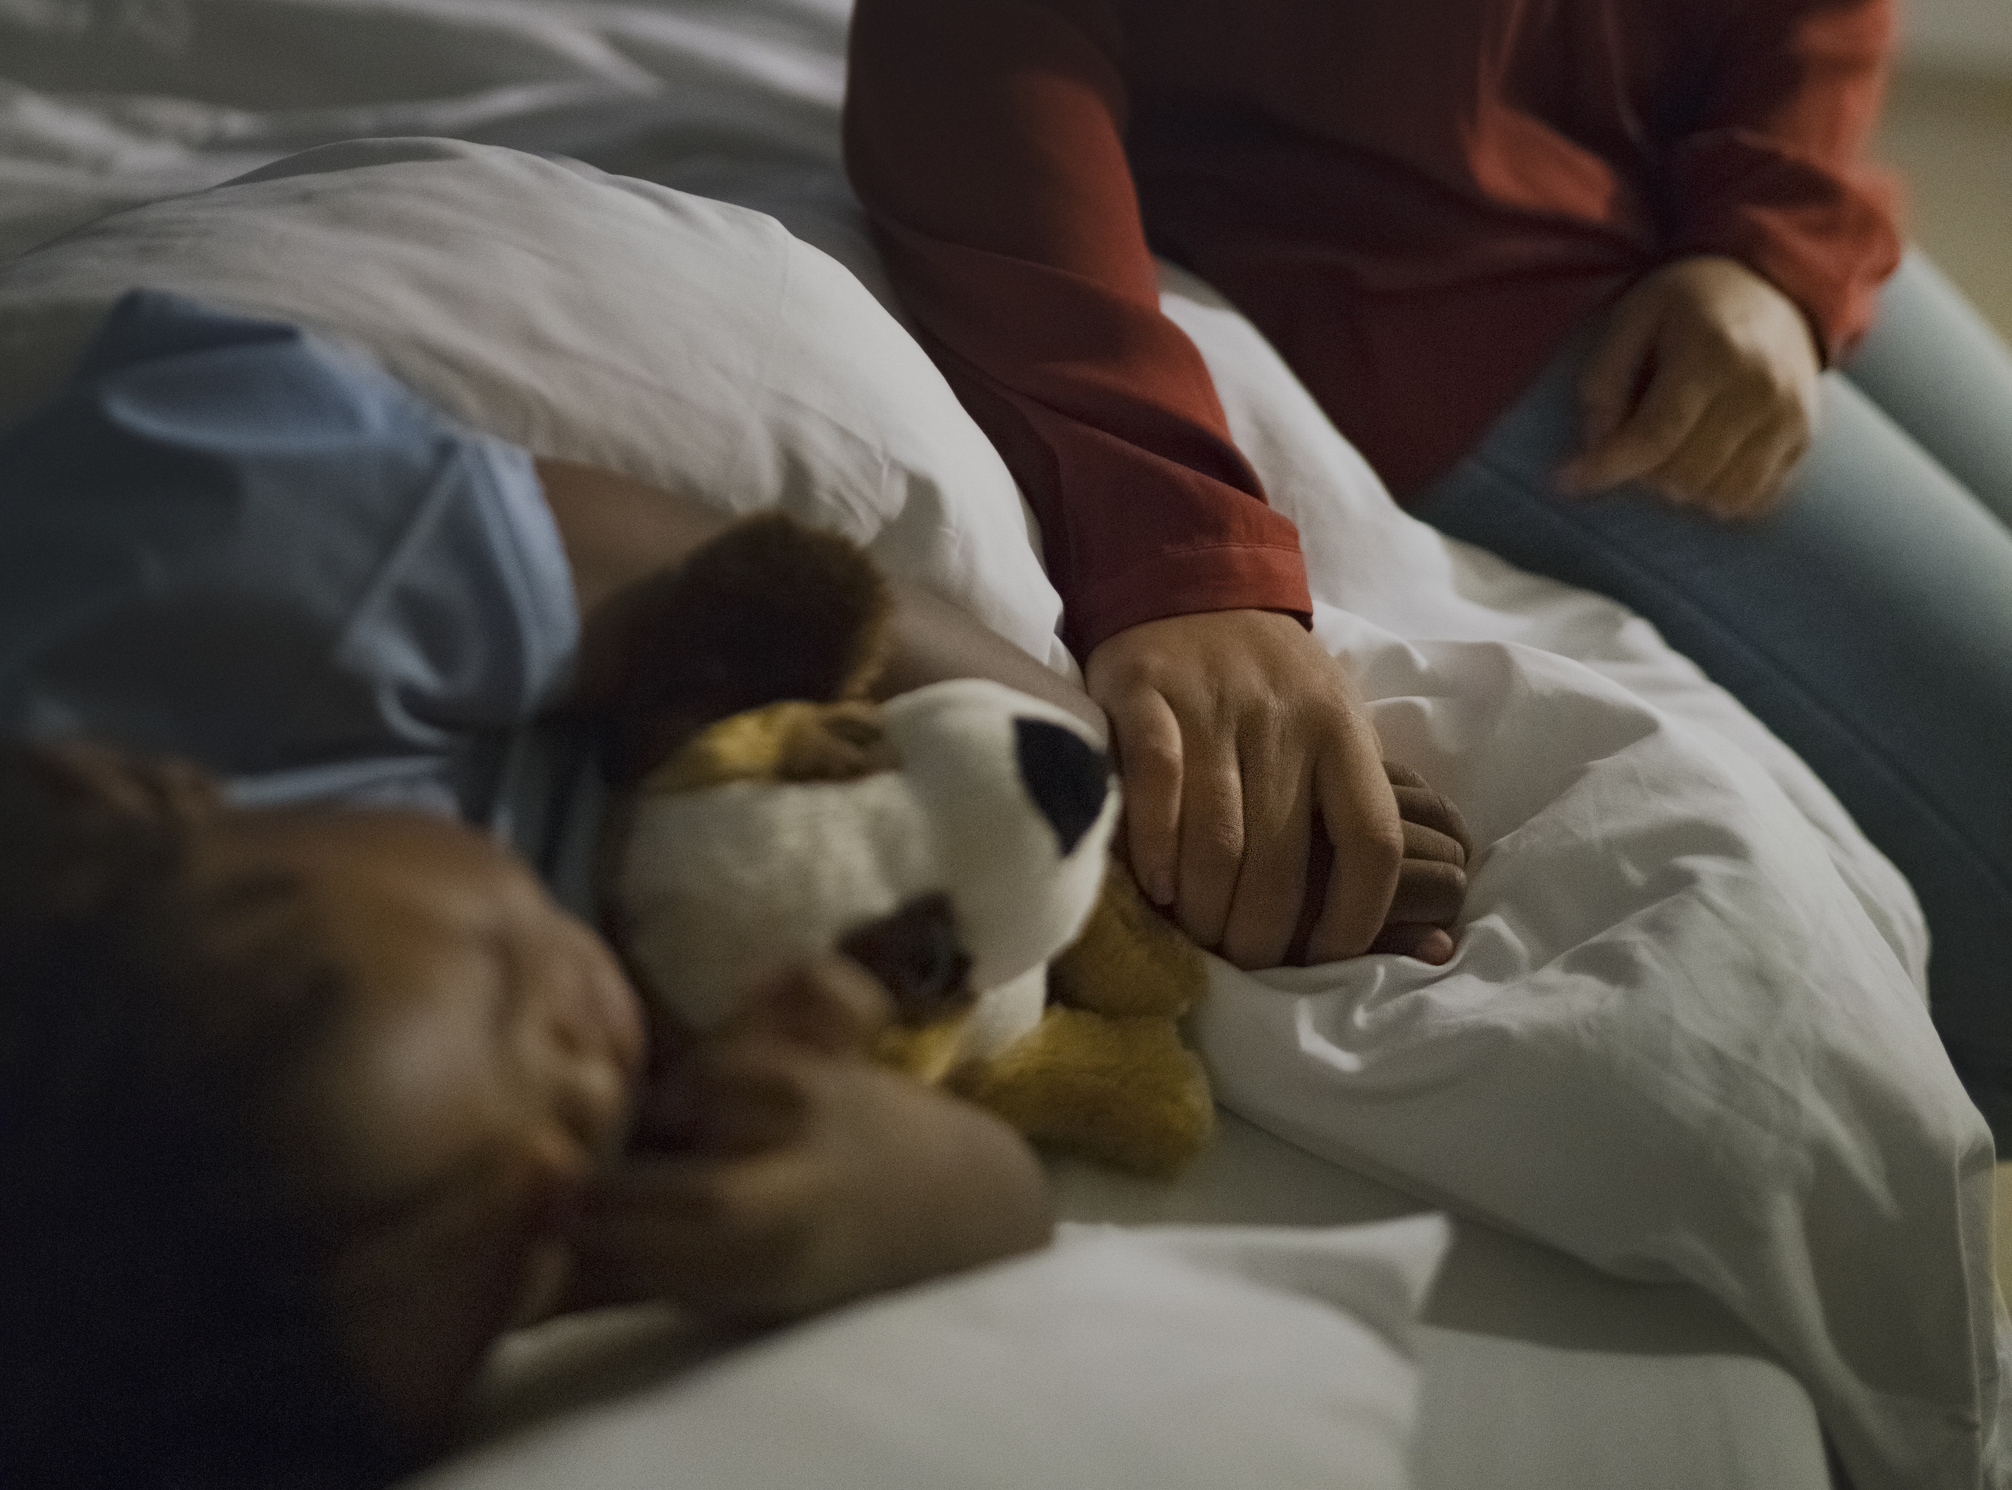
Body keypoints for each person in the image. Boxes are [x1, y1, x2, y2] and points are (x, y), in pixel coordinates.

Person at [0, 289, 1468, 1487]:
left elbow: (733, 584)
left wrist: (1129, 794)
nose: (604, 1066)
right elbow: (991, 1211)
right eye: (551, 1237)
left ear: (161, 805)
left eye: (511, 972)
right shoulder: (372, 1255)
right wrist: (900, 1202)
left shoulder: (188, 576)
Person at [842, 0, 2012, 1140]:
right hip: (1436, 279)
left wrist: (1769, 238)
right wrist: (1176, 547)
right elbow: (971, 51)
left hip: (1704, 139)